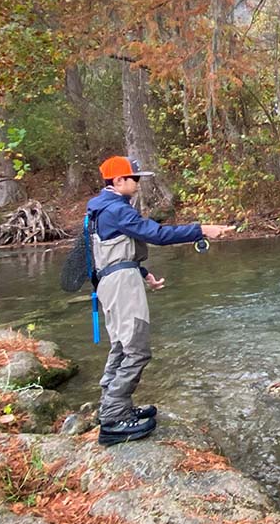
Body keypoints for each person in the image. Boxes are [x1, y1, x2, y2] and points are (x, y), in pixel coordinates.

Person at [87, 156, 233, 446]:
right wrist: (201, 229)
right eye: (134, 178)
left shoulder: (102, 208)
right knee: (136, 349)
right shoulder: (115, 209)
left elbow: (111, 251)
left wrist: (142, 272)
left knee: (122, 345)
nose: (138, 183)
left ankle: (113, 405)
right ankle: (114, 419)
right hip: (120, 286)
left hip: (114, 282)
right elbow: (156, 234)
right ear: (118, 182)